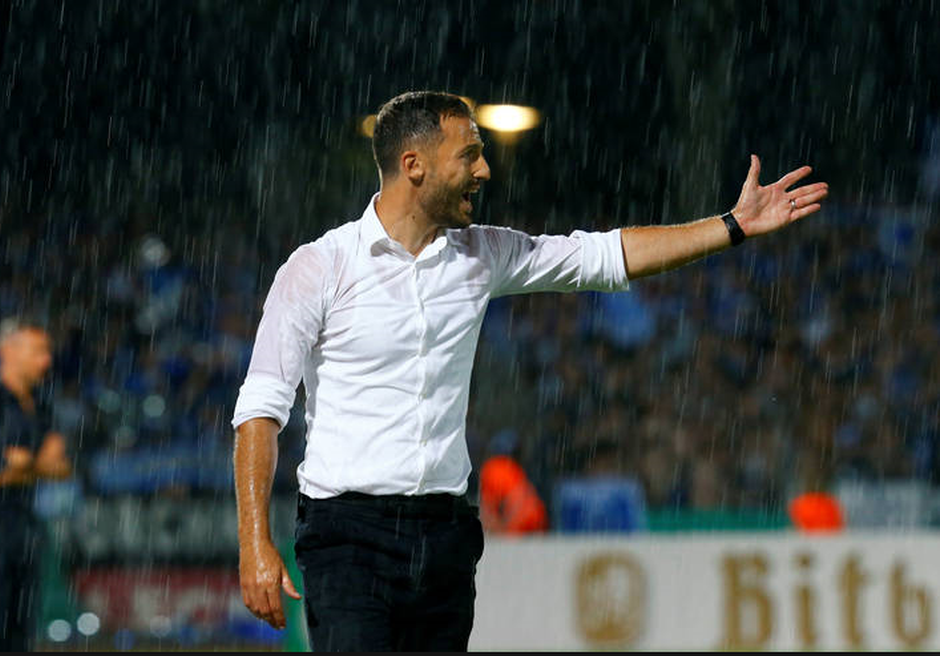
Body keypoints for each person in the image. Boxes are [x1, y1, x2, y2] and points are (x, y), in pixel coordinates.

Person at [232, 91, 828, 651]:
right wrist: (255, 540)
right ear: (413, 165)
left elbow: (603, 257)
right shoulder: (317, 269)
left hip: (444, 535)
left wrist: (731, 226)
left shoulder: (481, 254)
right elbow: (259, 411)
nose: (484, 170)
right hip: (346, 535)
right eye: (468, 154)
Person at [0, 317, 72, 652]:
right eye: (38, 351)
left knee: (20, 631)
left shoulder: (42, 405)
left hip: (23, 525)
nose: (46, 360)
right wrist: (38, 466)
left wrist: (24, 463)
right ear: (7, 350)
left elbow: (61, 467)